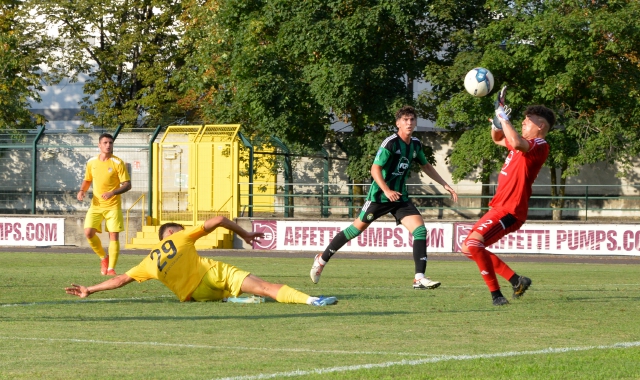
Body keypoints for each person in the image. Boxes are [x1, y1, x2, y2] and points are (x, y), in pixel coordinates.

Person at [310, 105, 458, 289]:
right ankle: (322, 259)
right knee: (355, 230)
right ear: (398, 123)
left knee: (420, 231)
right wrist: (386, 190)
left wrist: (445, 184)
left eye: (412, 119)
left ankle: (419, 278)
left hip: (399, 198)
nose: (409, 123)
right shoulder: (391, 143)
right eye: (405, 120)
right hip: (379, 196)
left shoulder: (415, 145)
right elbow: (375, 168)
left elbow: (426, 166)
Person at [65, 216, 337, 306]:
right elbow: (219, 220)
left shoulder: (146, 262)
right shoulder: (181, 238)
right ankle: (312, 301)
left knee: (230, 294)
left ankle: (234, 298)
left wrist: (90, 289)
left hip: (197, 296)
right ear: (170, 233)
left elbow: (119, 280)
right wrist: (245, 233)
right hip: (212, 275)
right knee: (266, 287)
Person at [461, 87, 556, 306]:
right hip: (499, 207)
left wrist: (504, 117)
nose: (523, 123)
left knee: (473, 245)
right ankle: (516, 280)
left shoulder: (539, 144)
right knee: (469, 248)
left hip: (511, 209)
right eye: (522, 120)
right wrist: (497, 122)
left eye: (528, 120)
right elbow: (497, 139)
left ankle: (497, 296)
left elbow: (514, 142)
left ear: (540, 126)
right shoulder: (521, 143)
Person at [77, 133, 131, 276]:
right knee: (88, 232)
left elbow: (127, 185)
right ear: (99, 145)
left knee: (113, 235)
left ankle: (111, 268)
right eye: (105, 143)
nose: (108, 145)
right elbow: (87, 179)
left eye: (110, 143)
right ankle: (103, 258)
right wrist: (82, 190)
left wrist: (112, 193)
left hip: (113, 206)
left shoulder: (118, 163)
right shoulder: (91, 162)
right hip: (96, 205)